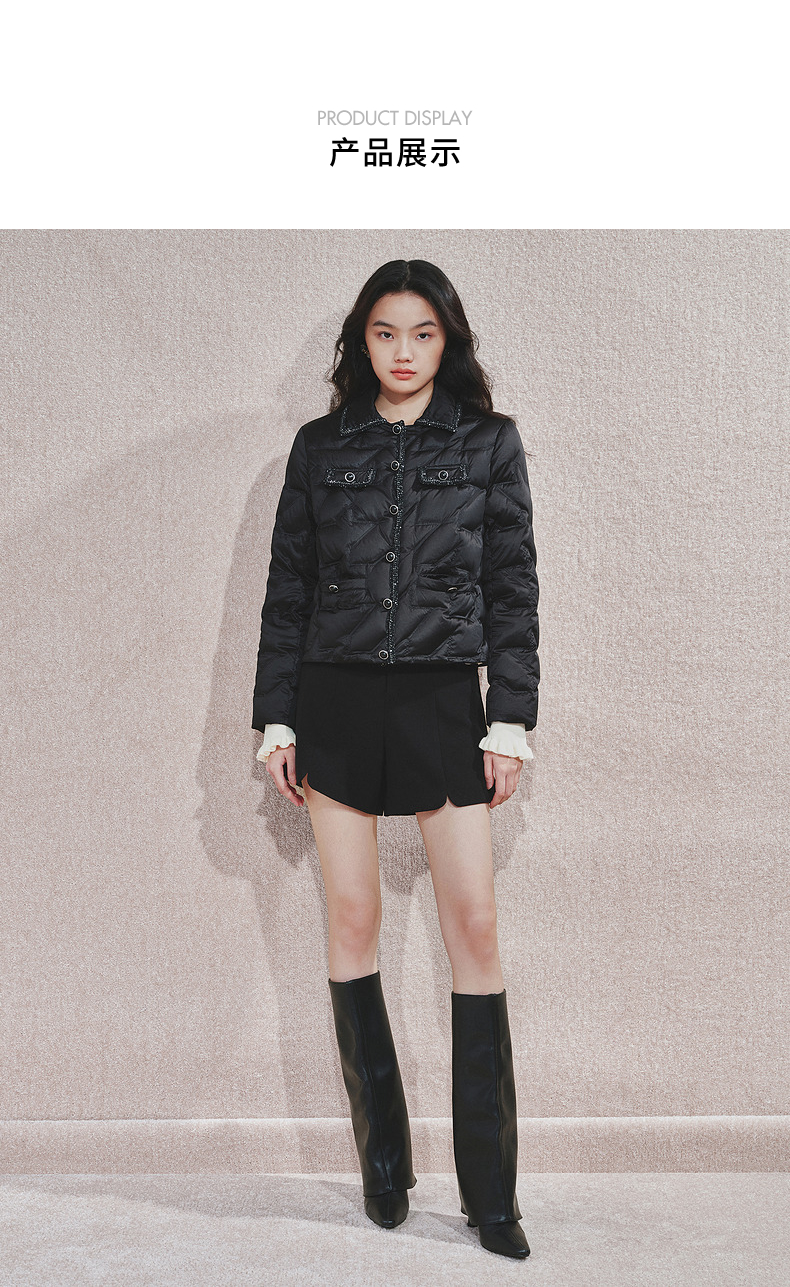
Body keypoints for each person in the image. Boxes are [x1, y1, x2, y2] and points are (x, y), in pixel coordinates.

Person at [252, 259, 539, 1260]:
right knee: (352, 915)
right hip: (333, 700)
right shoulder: (320, 446)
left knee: (474, 923)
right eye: (385, 332)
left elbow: (512, 587)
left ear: (446, 340)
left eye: (422, 333)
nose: (403, 352)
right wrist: (277, 719)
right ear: (361, 341)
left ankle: (492, 1193)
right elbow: (289, 586)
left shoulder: (489, 443)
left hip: (440, 701)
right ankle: (384, 1165)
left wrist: (509, 719)